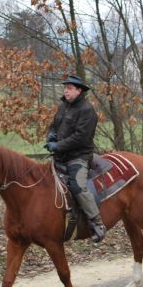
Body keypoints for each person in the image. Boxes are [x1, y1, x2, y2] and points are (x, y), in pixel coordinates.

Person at [45, 75, 106, 243]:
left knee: (78, 186)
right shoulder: (63, 106)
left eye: (70, 88)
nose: (66, 90)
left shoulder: (87, 110)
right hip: (61, 156)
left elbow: (81, 138)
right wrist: (51, 136)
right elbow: (54, 126)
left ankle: (96, 223)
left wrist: (59, 146)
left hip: (78, 157)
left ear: (79, 90)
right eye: (65, 87)